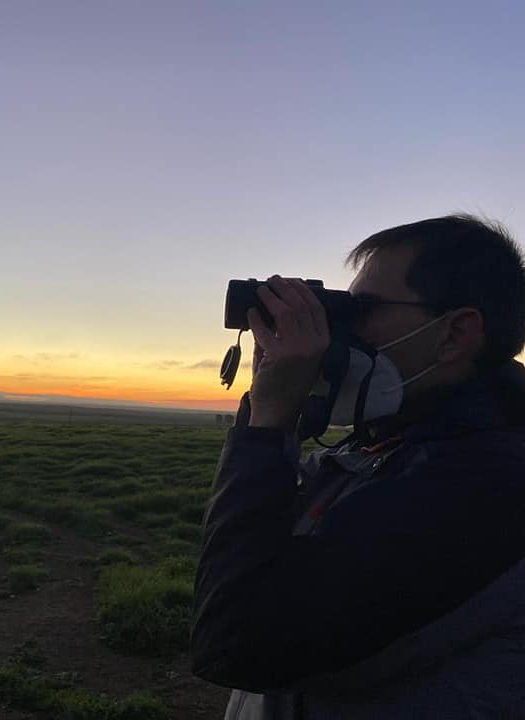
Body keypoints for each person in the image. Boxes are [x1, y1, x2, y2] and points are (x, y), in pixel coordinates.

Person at [191, 215, 525, 719]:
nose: (339, 329)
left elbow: (238, 642)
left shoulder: (490, 483)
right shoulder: (387, 444)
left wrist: (268, 424)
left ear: (454, 334)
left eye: (362, 309)